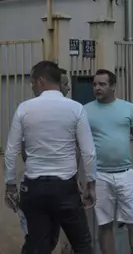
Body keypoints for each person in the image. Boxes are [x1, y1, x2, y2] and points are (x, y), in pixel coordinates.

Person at [3, 61, 96, 254]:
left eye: (32, 82)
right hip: (65, 189)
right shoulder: (76, 108)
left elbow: (11, 151)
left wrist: (10, 185)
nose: (32, 86)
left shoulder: (24, 109)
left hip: (34, 188)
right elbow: (88, 152)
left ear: (41, 80)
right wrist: (90, 184)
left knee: (37, 245)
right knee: (82, 244)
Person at [83, 69, 133, 254]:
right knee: (105, 224)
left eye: (102, 84)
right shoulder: (85, 110)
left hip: (125, 174)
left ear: (113, 86)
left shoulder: (128, 108)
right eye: (95, 84)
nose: (97, 88)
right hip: (99, 175)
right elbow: (79, 144)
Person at [18, 69, 74, 254]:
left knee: (50, 237)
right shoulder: (30, 111)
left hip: (58, 186)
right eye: (64, 84)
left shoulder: (68, 111)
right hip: (36, 186)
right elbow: (23, 149)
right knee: (37, 239)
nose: (67, 88)